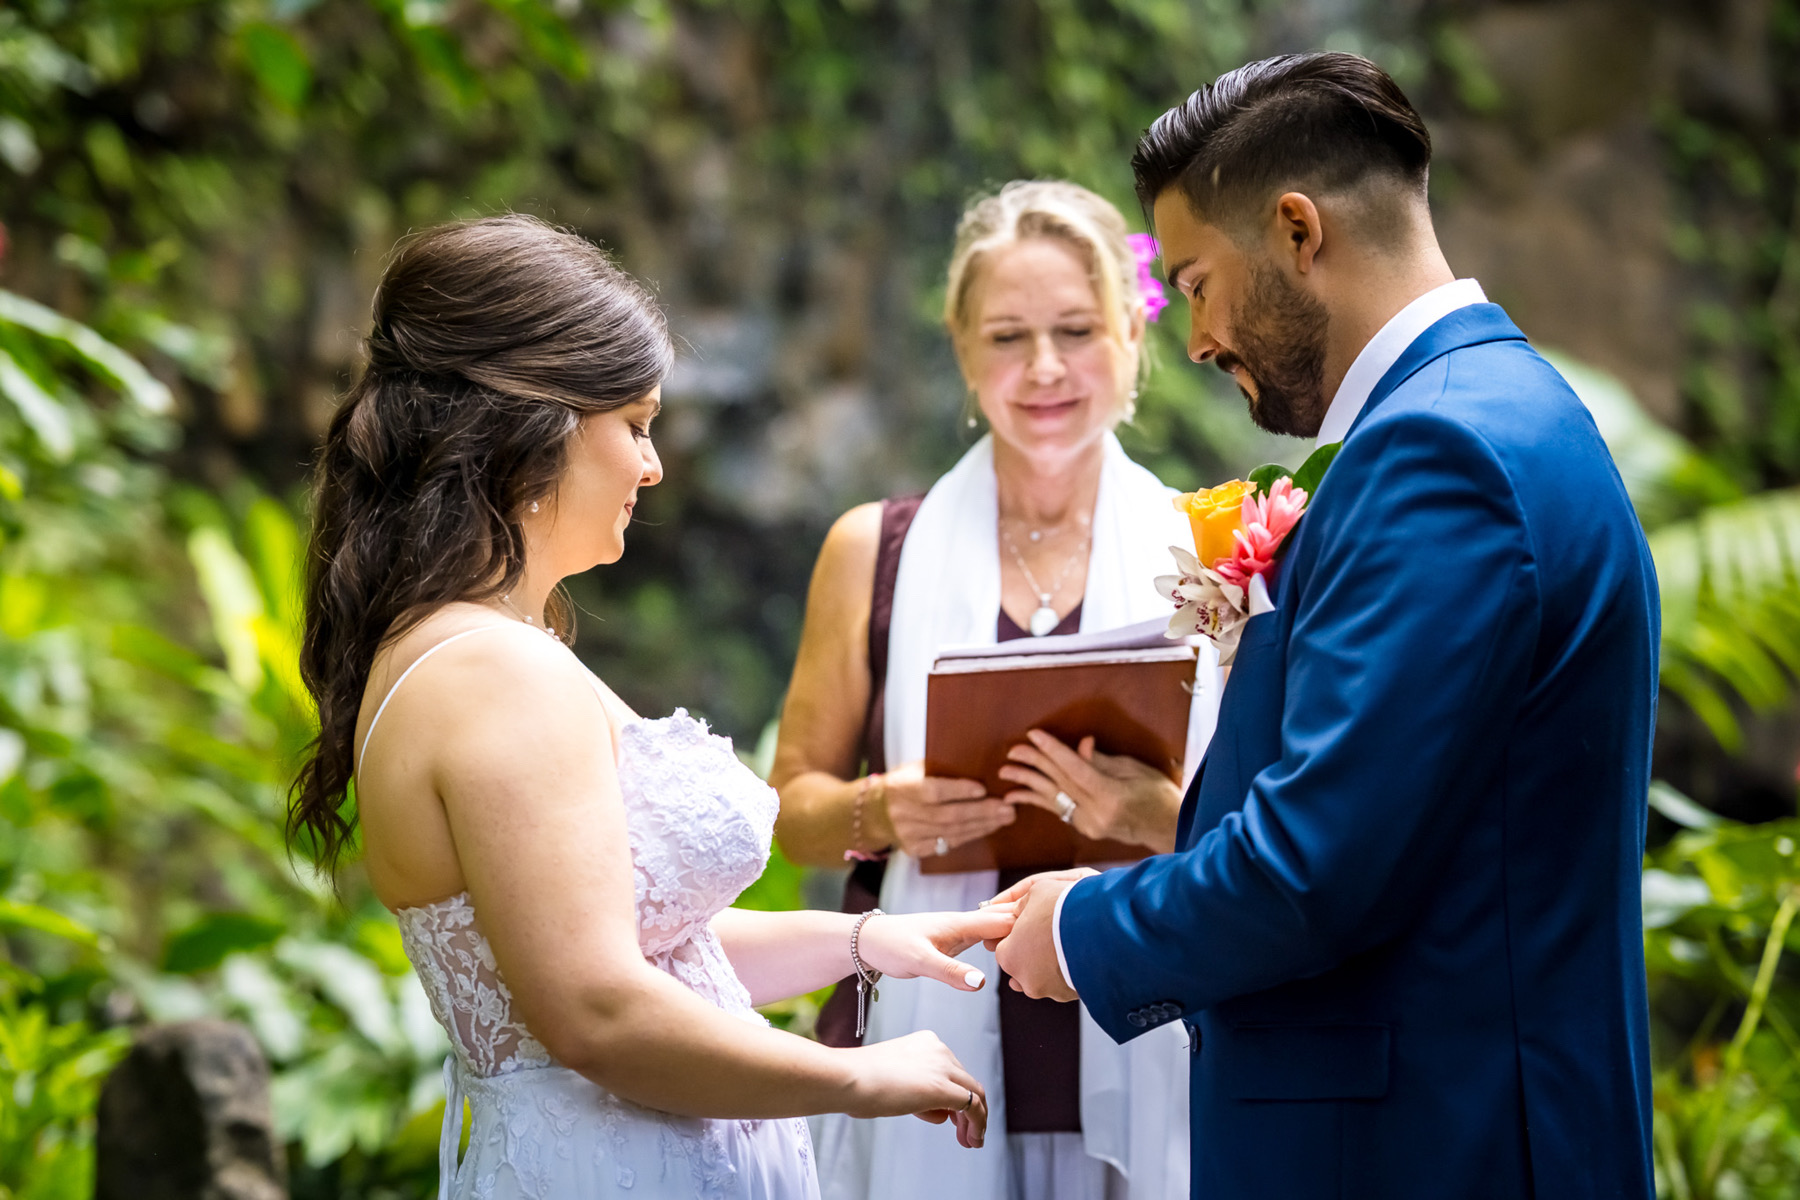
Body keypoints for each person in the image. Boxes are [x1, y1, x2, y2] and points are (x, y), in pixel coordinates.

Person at [991, 53, 1659, 1199]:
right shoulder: (1506, 410)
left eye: (1195, 281)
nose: (1195, 338)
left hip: (1430, 1148)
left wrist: (1081, 930)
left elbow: (1317, 865)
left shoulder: (1439, 456)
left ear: (1298, 232)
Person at [289, 215, 1019, 1200]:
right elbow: (596, 1011)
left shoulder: (487, 648)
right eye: (634, 424)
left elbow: (642, 952)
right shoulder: (491, 675)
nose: (653, 465)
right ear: (532, 422)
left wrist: (861, 941)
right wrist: (856, 1077)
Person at [771, 181, 1216, 1200]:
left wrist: (1164, 815)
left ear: (1131, 337)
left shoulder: (1212, 551)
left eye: (1075, 329)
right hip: (930, 1037)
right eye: (1009, 336)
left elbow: (1274, 832)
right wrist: (878, 807)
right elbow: (790, 812)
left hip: (1147, 1037)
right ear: (963, 352)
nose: (1046, 368)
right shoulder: (869, 551)